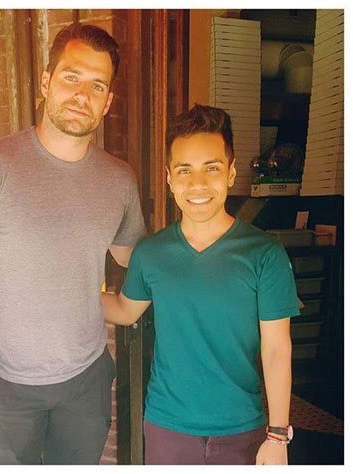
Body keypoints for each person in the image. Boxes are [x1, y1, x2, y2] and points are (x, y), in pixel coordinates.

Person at [0, 23, 146, 465]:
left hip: (85, 381)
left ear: (108, 102)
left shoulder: (118, 180)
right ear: (46, 82)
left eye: (97, 85)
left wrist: (205, 247)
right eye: (71, 77)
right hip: (4, 384)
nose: (81, 94)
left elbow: (138, 259)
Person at [102, 104, 300, 465]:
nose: (197, 184)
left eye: (211, 168)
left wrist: (277, 434)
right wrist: (69, 290)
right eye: (184, 171)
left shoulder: (264, 253)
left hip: (243, 428)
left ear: (230, 173)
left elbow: (276, 349)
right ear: (169, 178)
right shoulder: (151, 253)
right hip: (167, 427)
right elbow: (124, 310)